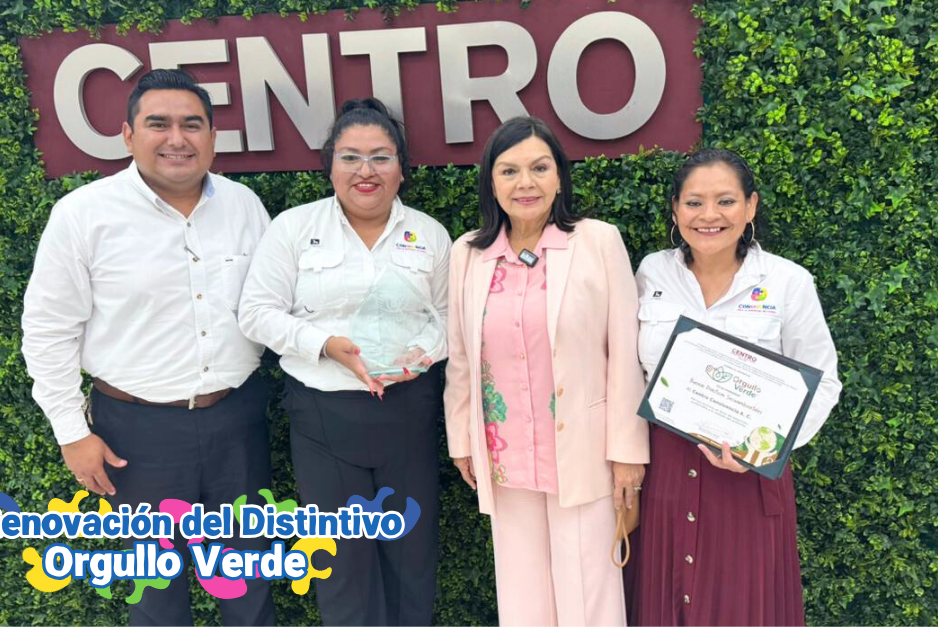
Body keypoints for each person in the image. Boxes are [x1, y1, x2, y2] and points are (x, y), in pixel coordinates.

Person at [21, 69, 276, 625]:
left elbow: (273, 305)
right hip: (136, 433)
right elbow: (48, 329)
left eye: (192, 124)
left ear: (213, 136)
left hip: (236, 421)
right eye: (158, 124)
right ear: (128, 135)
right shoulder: (84, 215)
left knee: (248, 581)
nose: (176, 139)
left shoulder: (244, 206)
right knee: (156, 593)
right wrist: (71, 432)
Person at [237, 98, 450, 626]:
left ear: (401, 167)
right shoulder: (293, 228)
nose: (365, 171)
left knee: (411, 560)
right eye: (350, 157)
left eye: (380, 157)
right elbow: (256, 313)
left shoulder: (430, 235)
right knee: (342, 567)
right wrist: (323, 344)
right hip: (323, 418)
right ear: (330, 165)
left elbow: (452, 317)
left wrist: (424, 352)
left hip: (407, 411)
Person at [445, 116, 649, 626]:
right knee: (523, 598)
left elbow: (625, 352)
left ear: (559, 176)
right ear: (492, 182)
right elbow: (462, 356)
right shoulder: (468, 254)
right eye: (509, 171)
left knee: (588, 596)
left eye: (539, 168)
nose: (525, 183)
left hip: (583, 451)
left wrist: (628, 453)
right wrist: (462, 439)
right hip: (505, 454)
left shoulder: (597, 242)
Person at [627, 148, 843, 625]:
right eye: (694, 202)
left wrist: (763, 451)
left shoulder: (787, 282)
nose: (709, 215)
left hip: (747, 477)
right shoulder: (651, 273)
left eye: (725, 201)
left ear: (751, 207)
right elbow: (629, 371)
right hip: (665, 471)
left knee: (741, 607)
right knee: (665, 602)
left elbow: (823, 381)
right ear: (675, 210)